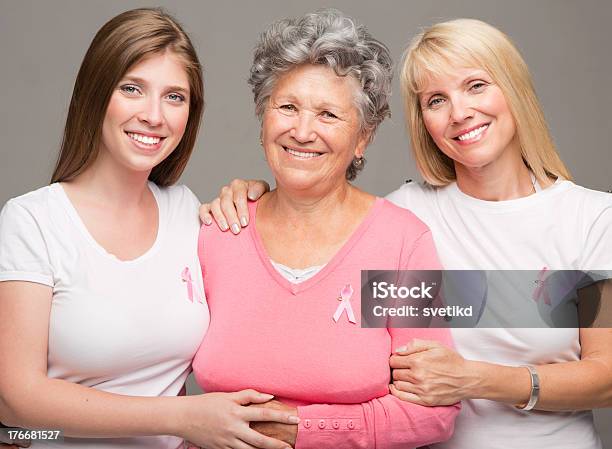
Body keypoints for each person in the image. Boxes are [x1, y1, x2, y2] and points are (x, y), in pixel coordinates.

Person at [202, 18, 612, 449]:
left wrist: (476, 380)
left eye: (476, 86)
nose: (460, 112)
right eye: (436, 100)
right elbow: (319, 212)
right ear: (424, 121)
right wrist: (248, 195)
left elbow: (606, 377)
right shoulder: (408, 216)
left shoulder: (591, 218)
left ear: (514, 88)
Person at [0, 8, 299, 449]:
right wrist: (183, 417)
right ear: (96, 93)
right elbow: (16, 401)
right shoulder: (32, 221)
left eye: (174, 97)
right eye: (132, 89)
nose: (154, 116)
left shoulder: (188, 212)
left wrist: (264, 199)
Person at [192, 10, 460, 449]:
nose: (301, 131)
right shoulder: (219, 232)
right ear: (263, 120)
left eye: (328, 114)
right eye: (288, 107)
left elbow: (433, 413)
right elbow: (154, 376)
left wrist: (301, 430)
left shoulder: (399, 244)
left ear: (363, 138)